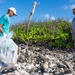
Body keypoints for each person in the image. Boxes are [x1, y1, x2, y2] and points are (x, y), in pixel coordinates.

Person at [0, 7, 17, 71]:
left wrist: (7, 34)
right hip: (1, 37)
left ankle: (5, 66)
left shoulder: (8, 18)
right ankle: (3, 67)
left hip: (5, 37)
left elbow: (5, 27)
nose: (13, 15)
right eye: (13, 13)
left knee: (8, 50)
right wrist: (3, 33)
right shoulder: (4, 16)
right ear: (10, 11)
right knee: (2, 52)